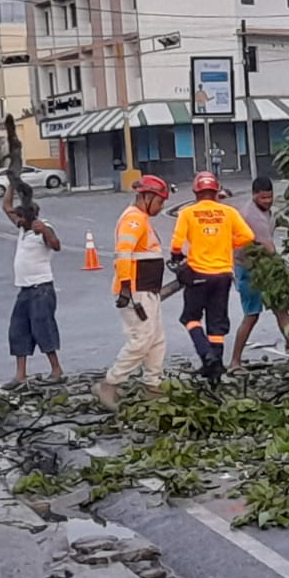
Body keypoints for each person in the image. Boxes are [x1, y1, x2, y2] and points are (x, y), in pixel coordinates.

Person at [170, 172, 254, 383]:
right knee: (216, 323)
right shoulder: (229, 212)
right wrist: (227, 244)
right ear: (216, 192)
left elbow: (177, 243)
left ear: (196, 192)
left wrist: (177, 257)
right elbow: (248, 236)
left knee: (190, 318)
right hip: (223, 275)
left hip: (198, 273)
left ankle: (205, 353)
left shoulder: (188, 213)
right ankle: (215, 367)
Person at [95, 175, 171, 409]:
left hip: (147, 290)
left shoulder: (142, 219)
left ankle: (152, 386)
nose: (162, 207)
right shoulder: (134, 220)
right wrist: (127, 287)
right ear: (146, 197)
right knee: (142, 339)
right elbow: (123, 253)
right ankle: (110, 384)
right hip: (136, 291)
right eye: (159, 201)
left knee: (156, 340)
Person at [229, 176, 289, 371]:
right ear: (254, 195)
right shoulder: (251, 216)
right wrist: (288, 274)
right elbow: (269, 248)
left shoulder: (266, 211)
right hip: (249, 270)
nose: (267, 201)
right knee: (252, 315)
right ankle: (235, 361)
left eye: (270, 197)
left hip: (265, 267)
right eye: (263, 198)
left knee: (281, 310)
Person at [2, 180, 64, 385]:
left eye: (20, 218)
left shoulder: (41, 228)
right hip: (25, 289)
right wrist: (12, 184)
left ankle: (56, 370)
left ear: (29, 218)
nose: (16, 221)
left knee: (43, 329)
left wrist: (44, 230)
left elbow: (56, 245)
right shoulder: (23, 229)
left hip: (41, 289)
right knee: (18, 329)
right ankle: (20, 375)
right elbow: (6, 207)